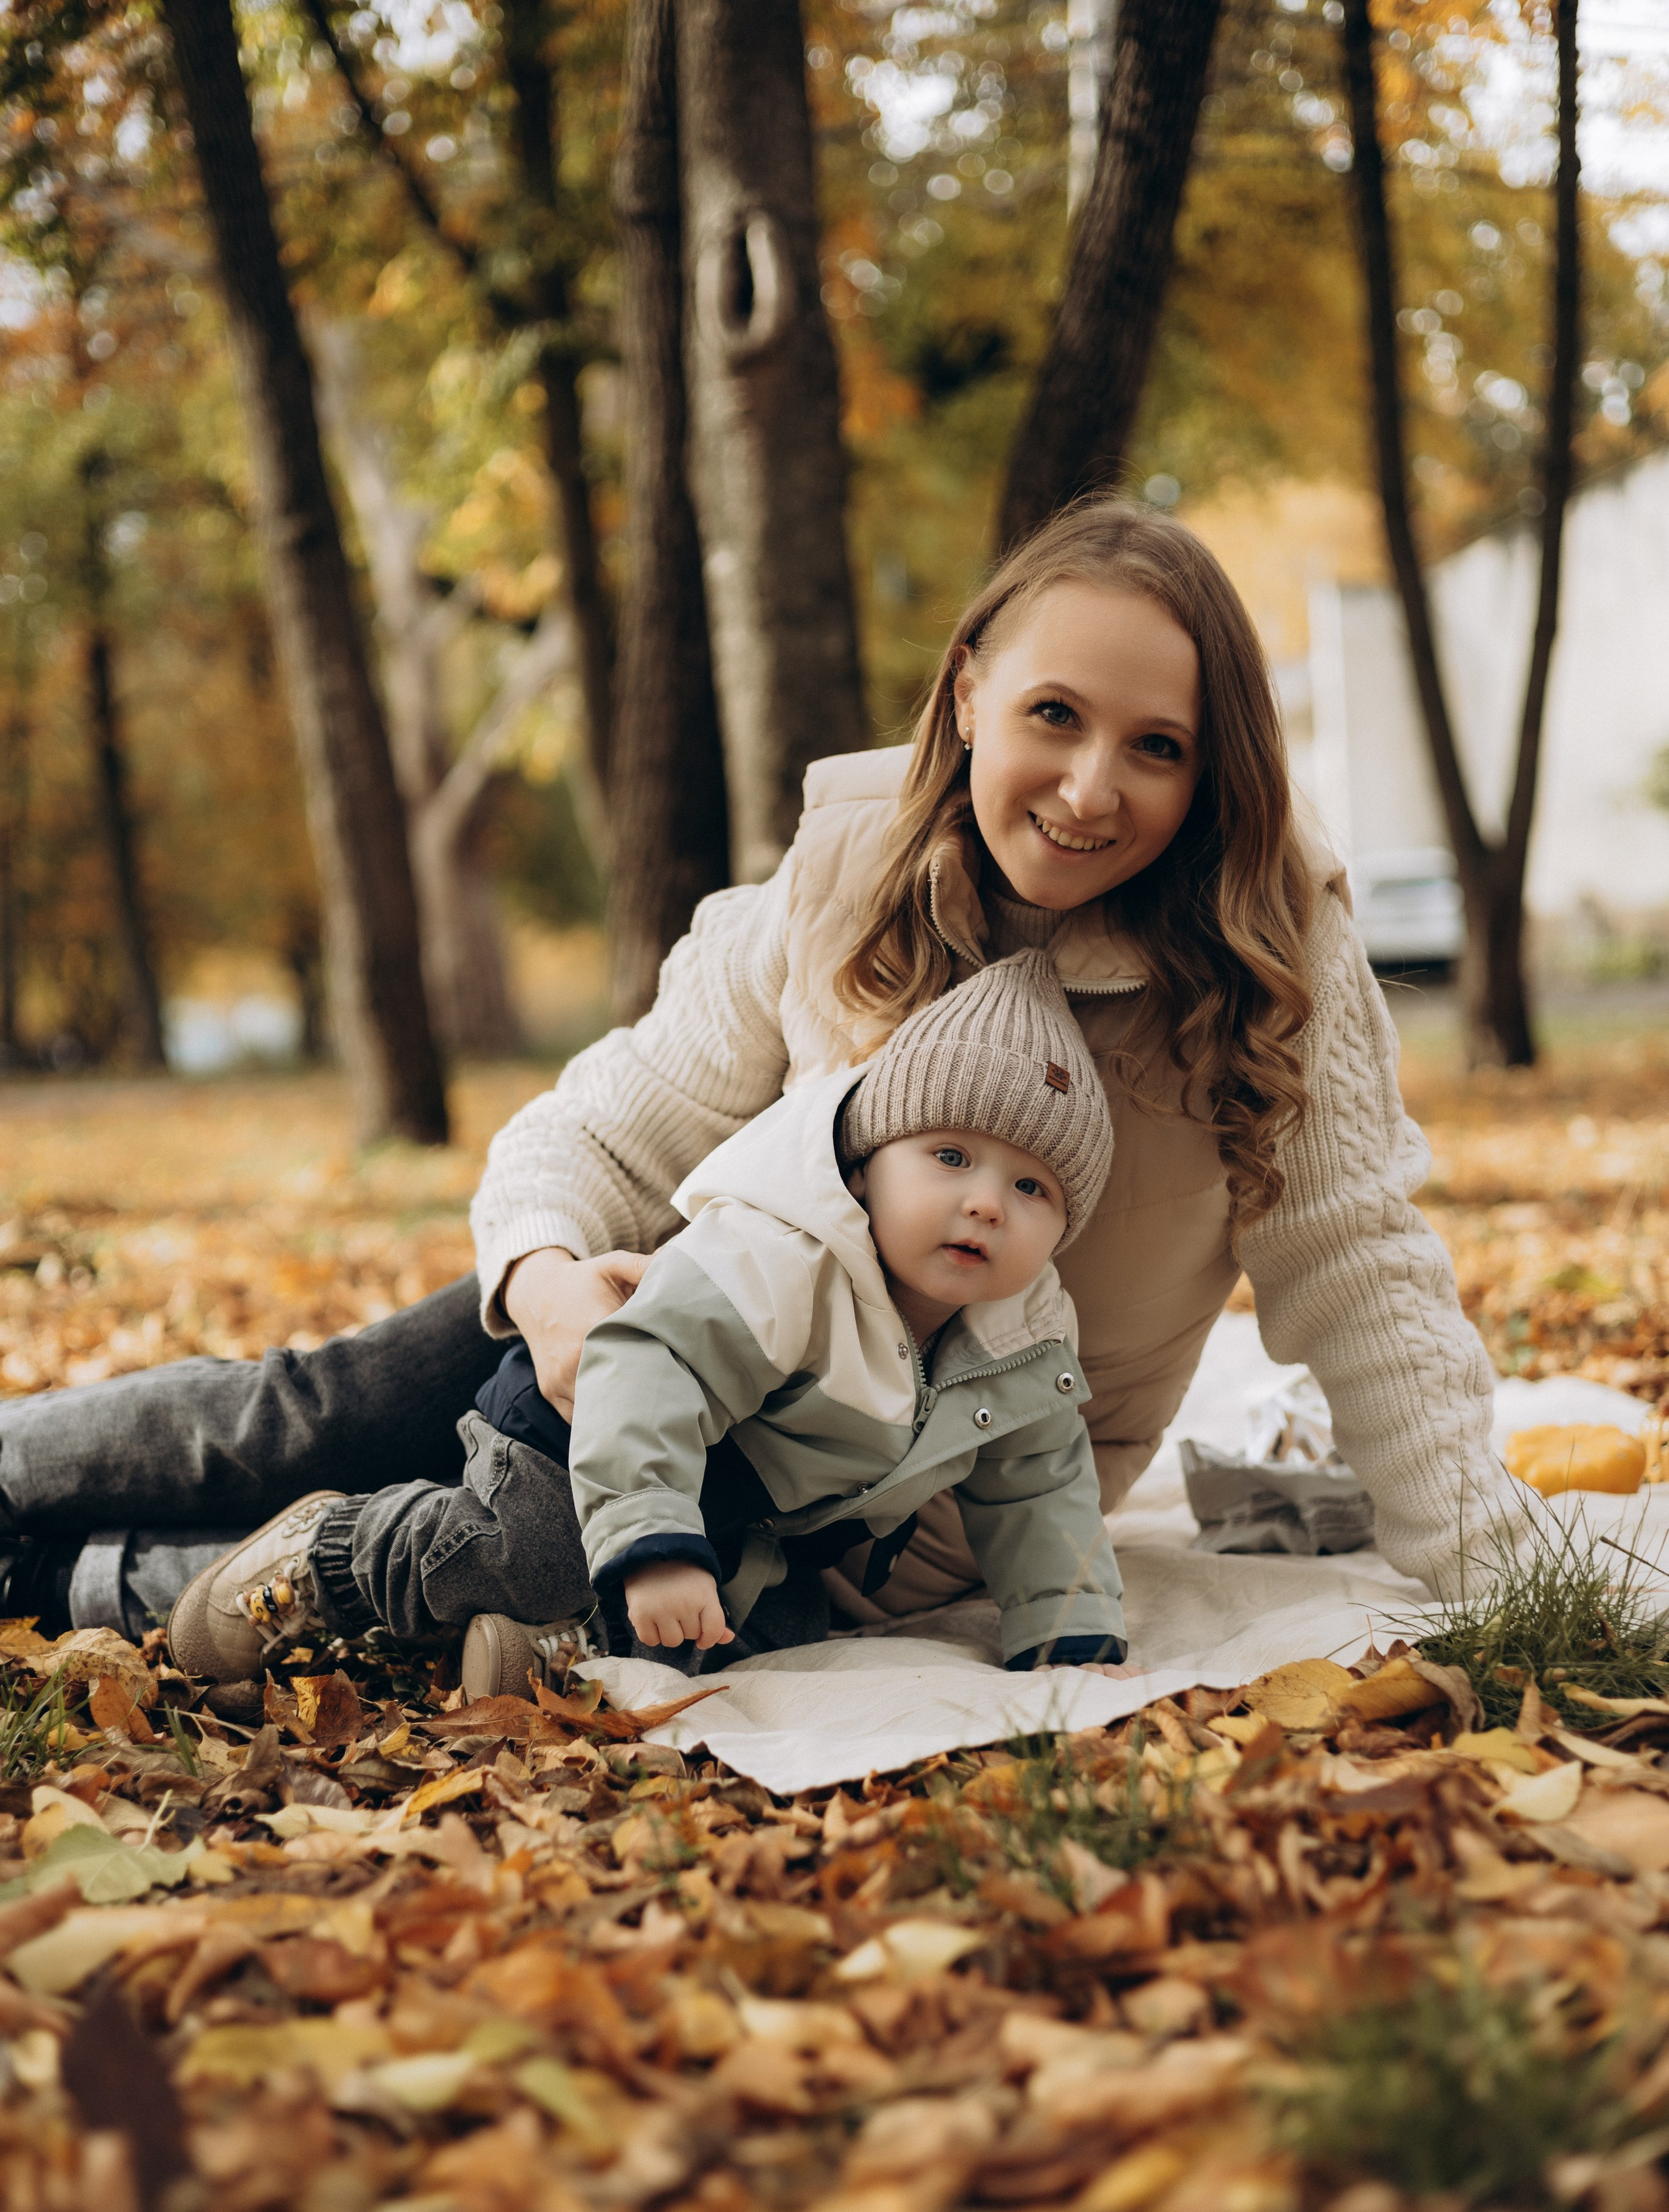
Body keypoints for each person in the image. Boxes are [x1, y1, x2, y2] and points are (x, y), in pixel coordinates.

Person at [0, 497, 1516, 1660]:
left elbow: (1357, 1270)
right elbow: (597, 1128)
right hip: (662, 1328)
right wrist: (545, 1288)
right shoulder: (838, 884)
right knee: (310, 1411)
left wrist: (1499, 1574)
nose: (1089, 787)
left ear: (1211, 772)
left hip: (876, 1498)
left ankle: (57, 1581)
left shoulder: (1268, 963)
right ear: (971, 686)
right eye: (1053, 714)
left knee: (502, 1568)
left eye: (1157, 746)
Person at [166, 951, 1129, 1695]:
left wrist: (1069, 1626)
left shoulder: (1023, 1340)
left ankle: (547, 1643)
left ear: (1062, 1226)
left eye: (1031, 1186)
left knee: (782, 1629)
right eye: (950, 1156)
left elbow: (1041, 1489)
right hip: (586, 1428)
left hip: (735, 1511)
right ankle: (332, 1555)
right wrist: (659, 1541)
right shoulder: (785, 1255)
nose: (987, 1204)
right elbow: (652, 1371)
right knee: (532, 1547)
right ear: (870, 1161)